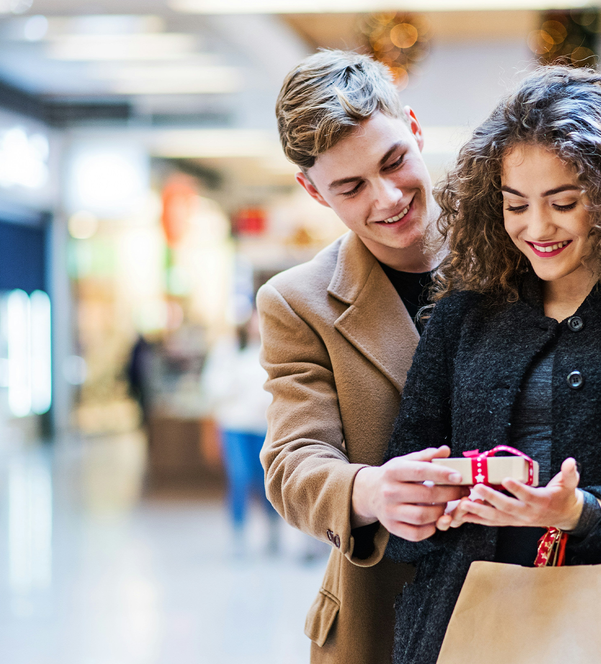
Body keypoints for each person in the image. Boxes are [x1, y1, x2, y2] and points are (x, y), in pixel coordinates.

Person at [381, 66, 601, 664]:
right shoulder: (464, 315)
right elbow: (404, 496)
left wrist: (587, 512)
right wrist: (423, 501)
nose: (536, 228)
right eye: (516, 205)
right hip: (464, 628)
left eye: (563, 203)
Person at [257, 50, 469, 664]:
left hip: (527, 589)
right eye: (350, 187)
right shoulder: (296, 303)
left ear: (414, 125)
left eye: (395, 161)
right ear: (313, 191)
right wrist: (370, 491)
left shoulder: (514, 248)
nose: (388, 198)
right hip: (384, 615)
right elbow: (294, 462)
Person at [201, 314, 279, 554]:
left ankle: (272, 533)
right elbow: (212, 386)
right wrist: (234, 384)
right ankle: (239, 535)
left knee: (267, 481)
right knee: (240, 477)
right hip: (235, 426)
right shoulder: (227, 350)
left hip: (265, 427)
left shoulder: (274, 348)